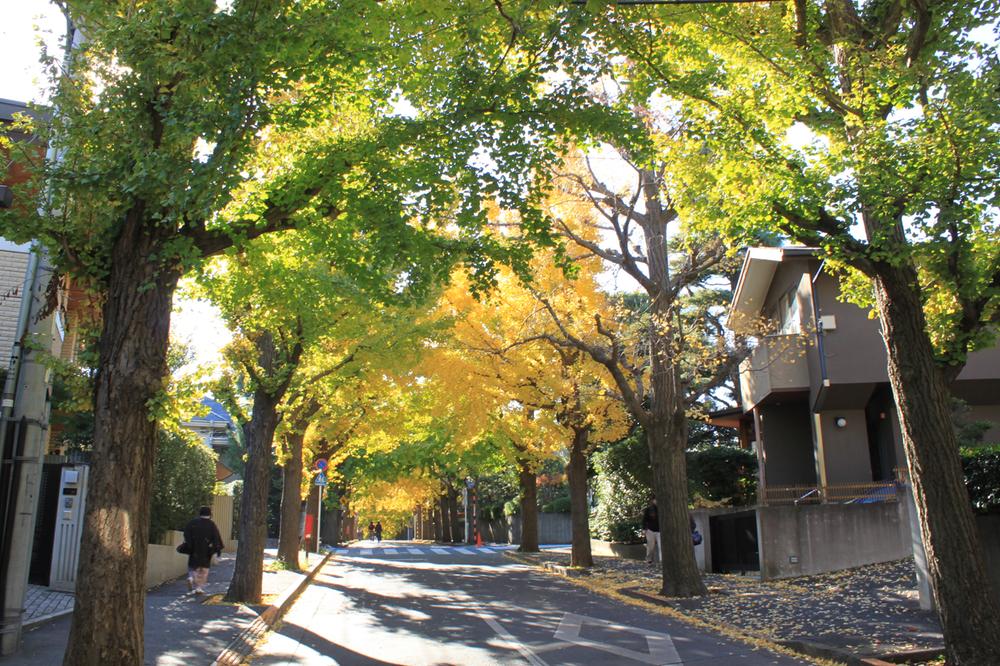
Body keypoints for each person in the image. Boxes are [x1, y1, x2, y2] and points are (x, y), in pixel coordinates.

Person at [183, 505, 224, 595]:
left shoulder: (192, 522)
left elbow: (186, 533)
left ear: (200, 513)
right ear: (210, 514)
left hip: (194, 549)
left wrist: (190, 544)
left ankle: (191, 578)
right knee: (204, 570)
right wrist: (218, 552)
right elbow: (216, 538)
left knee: (192, 566)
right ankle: (199, 588)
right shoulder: (211, 524)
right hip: (206, 550)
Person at [642, 498, 660, 564]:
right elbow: (644, 519)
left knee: (661, 546)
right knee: (650, 547)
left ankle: (661, 561)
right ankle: (648, 559)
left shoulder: (662, 509)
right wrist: (644, 529)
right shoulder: (649, 509)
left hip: (660, 531)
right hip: (650, 530)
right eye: (655, 499)